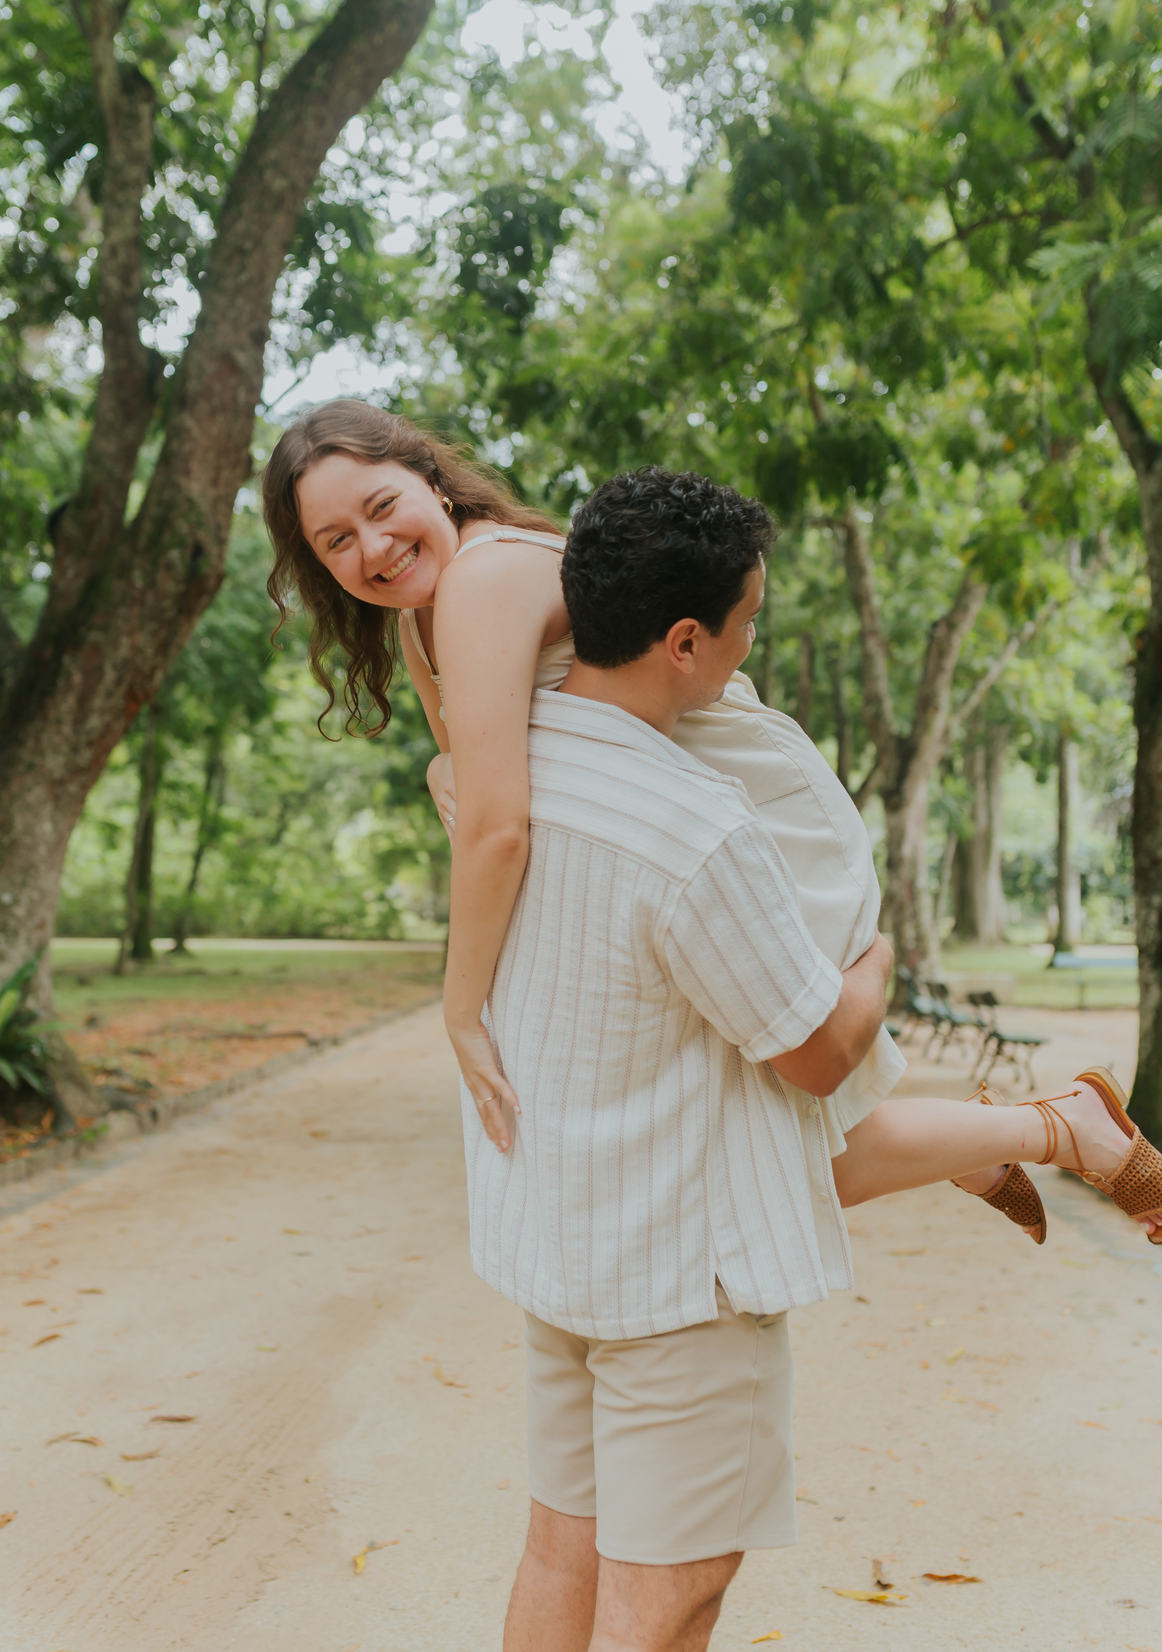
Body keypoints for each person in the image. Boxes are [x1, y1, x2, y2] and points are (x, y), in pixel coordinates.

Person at [261, 400, 1162, 1247]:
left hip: (749, 808)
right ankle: (1019, 1135)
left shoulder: (483, 577)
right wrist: (438, 764)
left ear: (431, 480)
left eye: (382, 507)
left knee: (798, 1139)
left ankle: (1048, 1130)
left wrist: (461, 1013)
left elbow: (497, 825)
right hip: (683, 831)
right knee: (803, 1145)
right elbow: (476, 762)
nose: (372, 547)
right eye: (336, 540)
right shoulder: (429, 612)